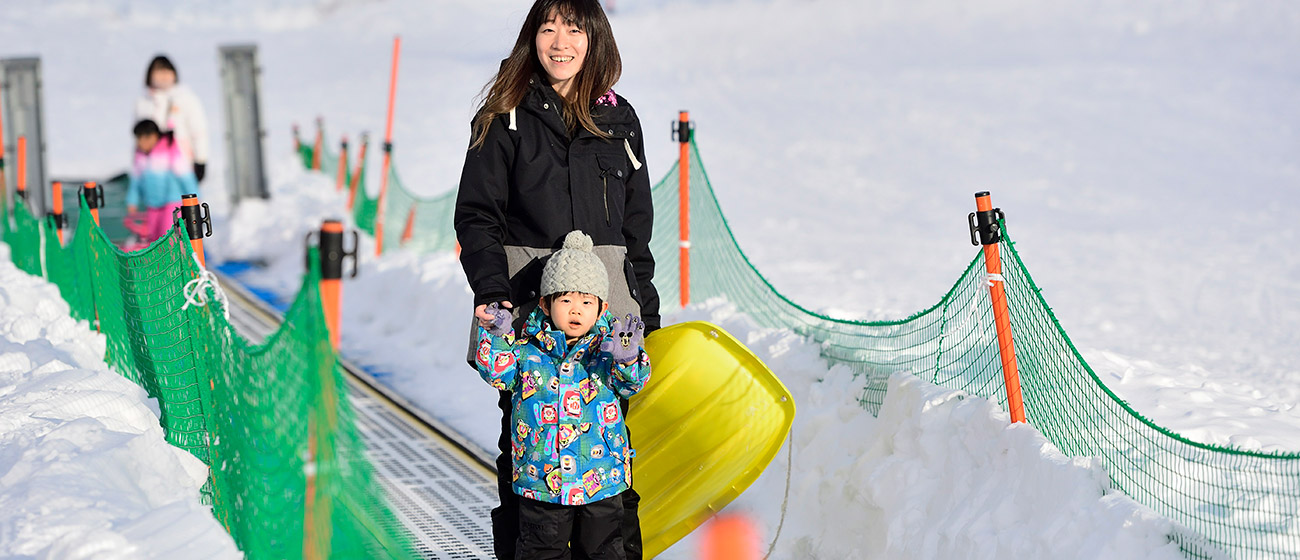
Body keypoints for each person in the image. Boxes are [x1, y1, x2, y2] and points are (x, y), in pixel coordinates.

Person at [454, 1, 659, 558]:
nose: (560, 41)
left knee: (611, 456)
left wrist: (647, 314)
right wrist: (492, 294)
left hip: (608, 316)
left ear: (595, 37)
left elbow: (636, 227)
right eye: (548, 28)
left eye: (573, 27)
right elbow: (477, 216)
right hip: (527, 314)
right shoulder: (505, 113)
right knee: (524, 452)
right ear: (532, 37)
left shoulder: (620, 119)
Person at [475, 230, 650, 559]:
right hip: (542, 484)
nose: (576, 310)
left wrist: (627, 355)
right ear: (545, 303)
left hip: (601, 482)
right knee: (541, 552)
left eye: (586, 302)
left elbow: (632, 384)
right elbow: (497, 372)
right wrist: (497, 334)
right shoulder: (528, 353)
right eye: (565, 300)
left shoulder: (605, 354)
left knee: (603, 552)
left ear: (601, 307)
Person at [136, 55, 210, 184]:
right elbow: (138, 137)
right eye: (159, 71)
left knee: (185, 199)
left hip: (182, 163)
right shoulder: (143, 102)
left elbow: (198, 131)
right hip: (153, 166)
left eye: (167, 71)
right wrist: (137, 166)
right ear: (150, 75)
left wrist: (201, 160)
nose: (164, 75)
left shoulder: (186, 99)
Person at [126, 119, 198, 244]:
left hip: (172, 202)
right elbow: (136, 181)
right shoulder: (140, 156)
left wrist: (195, 199)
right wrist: (132, 200)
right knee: (154, 238)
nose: (140, 143)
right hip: (152, 204)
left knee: (170, 236)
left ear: (153, 136)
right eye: (138, 139)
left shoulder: (169, 149)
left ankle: (176, 259)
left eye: (143, 139)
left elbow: (185, 176)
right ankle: (161, 263)